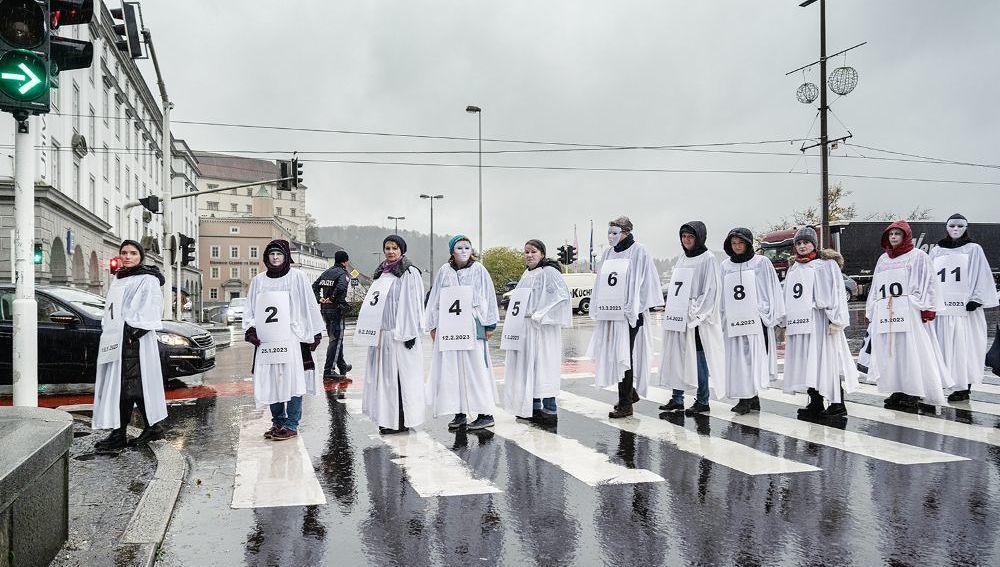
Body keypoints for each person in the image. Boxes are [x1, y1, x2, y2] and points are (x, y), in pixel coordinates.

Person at [244, 239, 325, 441]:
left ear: (286, 256)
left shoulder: (297, 277)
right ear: (266, 257)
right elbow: (251, 308)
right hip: (268, 339)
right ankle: (278, 421)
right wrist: (251, 330)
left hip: (292, 338)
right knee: (272, 380)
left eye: (279, 254)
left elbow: (309, 304)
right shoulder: (259, 281)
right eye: (271, 254)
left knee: (293, 379)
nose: (275, 257)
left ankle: (291, 424)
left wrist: (315, 331)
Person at [867, 220, 951, 411]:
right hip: (887, 312)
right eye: (891, 234)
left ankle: (914, 390)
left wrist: (928, 307)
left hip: (909, 310)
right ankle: (897, 387)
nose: (894, 237)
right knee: (892, 352)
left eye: (898, 234)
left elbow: (929, 282)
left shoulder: (918, 256)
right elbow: (876, 286)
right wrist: (872, 308)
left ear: (906, 236)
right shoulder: (883, 259)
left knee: (911, 351)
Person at [93, 240, 168, 450]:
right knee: (125, 387)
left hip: (134, 341)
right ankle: (143, 429)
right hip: (116, 338)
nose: (127, 256)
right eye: (124, 253)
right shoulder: (120, 277)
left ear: (140, 257)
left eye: (133, 253)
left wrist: (133, 333)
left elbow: (152, 308)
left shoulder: (147, 278)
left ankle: (126, 433)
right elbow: (113, 308)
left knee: (129, 387)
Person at [587, 216, 664, 418]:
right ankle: (630, 394)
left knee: (624, 355)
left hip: (629, 314)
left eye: (615, 233)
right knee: (616, 354)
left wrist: (635, 307)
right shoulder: (608, 253)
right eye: (609, 233)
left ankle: (625, 403)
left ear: (626, 233)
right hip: (611, 313)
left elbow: (646, 281)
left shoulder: (639, 251)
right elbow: (602, 282)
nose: (611, 237)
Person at [780, 226, 859, 419]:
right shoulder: (795, 267)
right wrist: (785, 320)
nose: (802, 246)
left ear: (814, 244)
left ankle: (837, 403)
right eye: (798, 243)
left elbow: (837, 292)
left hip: (821, 321)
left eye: (806, 242)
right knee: (808, 362)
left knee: (826, 361)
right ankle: (815, 401)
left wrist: (837, 320)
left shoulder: (826, 265)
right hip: (801, 323)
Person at [426, 235, 500, 430]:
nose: (464, 251)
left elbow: (489, 296)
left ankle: (485, 412)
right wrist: (433, 325)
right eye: (459, 248)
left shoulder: (479, 270)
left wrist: (490, 324)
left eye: (467, 247)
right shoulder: (444, 271)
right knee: (453, 370)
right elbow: (435, 298)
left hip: (472, 324)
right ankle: (459, 412)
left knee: (475, 368)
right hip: (450, 327)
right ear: (452, 251)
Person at [654, 221, 725, 416]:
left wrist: (695, 311)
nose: (686, 240)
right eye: (684, 236)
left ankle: (703, 400)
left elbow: (711, 289)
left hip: (696, 318)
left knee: (699, 357)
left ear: (699, 238)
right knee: (677, 356)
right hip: (679, 316)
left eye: (690, 237)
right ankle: (677, 398)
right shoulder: (682, 258)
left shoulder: (708, 259)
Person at [361, 235, 427, 434]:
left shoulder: (409, 272)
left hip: (401, 334)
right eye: (387, 248)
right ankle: (387, 418)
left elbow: (415, 303)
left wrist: (412, 331)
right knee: (385, 380)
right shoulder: (381, 273)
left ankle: (401, 420)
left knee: (401, 378)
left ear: (402, 250)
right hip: (383, 334)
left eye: (394, 248)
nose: (390, 251)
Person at [929, 214, 998, 401]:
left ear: (966, 228)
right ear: (947, 227)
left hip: (964, 309)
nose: (956, 229)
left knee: (964, 347)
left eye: (960, 226)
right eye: (952, 226)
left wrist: (977, 298)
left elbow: (981, 274)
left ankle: (963, 386)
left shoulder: (973, 249)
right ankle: (938, 382)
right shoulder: (937, 251)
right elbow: (930, 277)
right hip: (943, 310)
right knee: (940, 345)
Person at [501, 239, 572, 425]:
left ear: (542, 253)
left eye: (533, 251)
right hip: (526, 329)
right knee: (529, 368)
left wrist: (540, 314)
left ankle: (550, 409)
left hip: (542, 330)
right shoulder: (527, 273)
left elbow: (561, 296)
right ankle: (533, 408)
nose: (529, 255)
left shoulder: (549, 272)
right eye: (526, 252)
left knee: (543, 367)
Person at [717, 227, 784, 415]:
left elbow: (771, 288)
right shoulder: (725, 266)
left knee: (753, 358)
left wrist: (770, 312)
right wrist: (723, 316)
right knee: (739, 359)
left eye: (741, 243)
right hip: (735, 318)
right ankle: (746, 397)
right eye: (734, 243)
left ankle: (750, 396)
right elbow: (723, 293)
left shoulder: (761, 263)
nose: (737, 246)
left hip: (756, 318)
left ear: (747, 243)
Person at [313, 250, 352, 384]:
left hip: (325, 310)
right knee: (336, 339)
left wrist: (321, 299)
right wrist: (333, 298)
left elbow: (314, 286)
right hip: (336, 309)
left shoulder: (326, 272)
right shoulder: (343, 274)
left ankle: (342, 365)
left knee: (335, 338)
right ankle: (329, 370)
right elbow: (341, 287)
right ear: (345, 261)